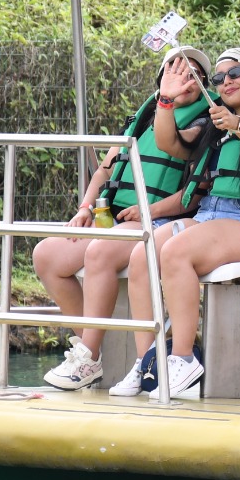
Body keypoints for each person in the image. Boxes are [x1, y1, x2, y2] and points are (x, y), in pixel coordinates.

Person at [119, 47, 240, 398]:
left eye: (235, 74)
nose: (226, 82)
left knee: (175, 252)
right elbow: (168, 141)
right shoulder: (213, 127)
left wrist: (238, 123)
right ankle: (150, 362)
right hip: (209, 215)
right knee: (143, 255)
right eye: (218, 78)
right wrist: (167, 101)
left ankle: (183, 357)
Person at [36, 46, 213, 391]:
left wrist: (151, 211)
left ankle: (89, 355)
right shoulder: (145, 114)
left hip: (157, 219)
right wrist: (86, 207)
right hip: (116, 218)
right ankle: (90, 354)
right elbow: (107, 168)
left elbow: (197, 185)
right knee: (47, 255)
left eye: (194, 74)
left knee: (100, 251)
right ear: (161, 78)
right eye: (176, 71)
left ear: (205, 84)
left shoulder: (203, 121)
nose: (185, 79)